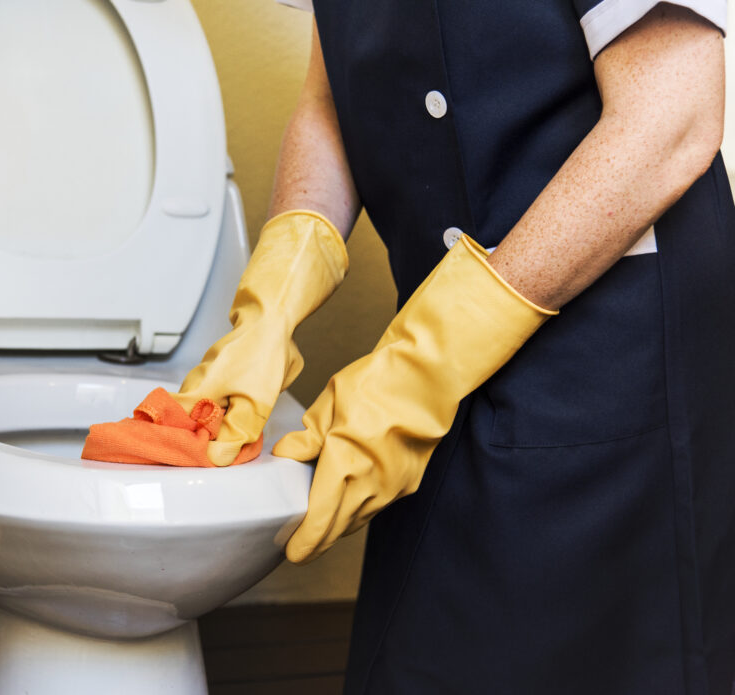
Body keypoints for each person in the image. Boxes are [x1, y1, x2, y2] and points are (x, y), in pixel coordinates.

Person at [175, 1, 735, 692]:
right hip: (443, 352)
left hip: (613, 349)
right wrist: (274, 297)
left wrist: (423, 364)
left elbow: (672, 117)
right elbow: (330, 101)